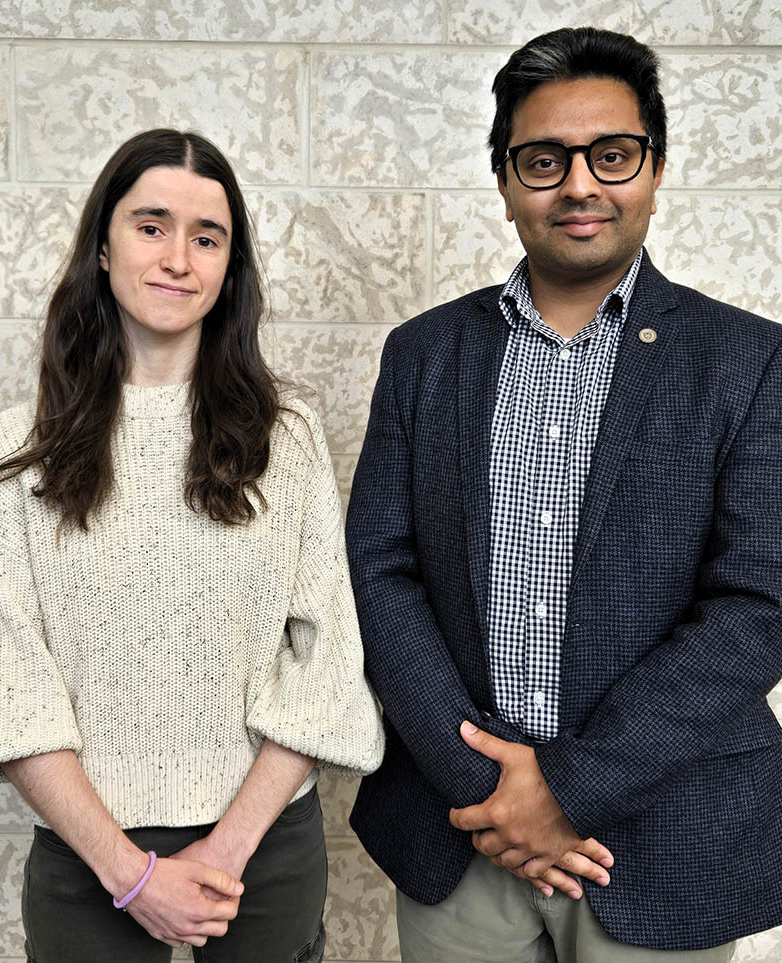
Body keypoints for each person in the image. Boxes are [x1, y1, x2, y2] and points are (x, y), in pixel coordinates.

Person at [346, 26, 782, 963]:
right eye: (544, 160)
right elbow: (379, 573)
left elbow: (757, 607)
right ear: (505, 182)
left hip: (661, 839)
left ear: (654, 170)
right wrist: (491, 789)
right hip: (459, 836)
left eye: (611, 155)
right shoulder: (423, 356)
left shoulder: (749, 360)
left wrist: (565, 790)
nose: (580, 185)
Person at [0, 128, 384, 963]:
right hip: (87, 850)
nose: (178, 258)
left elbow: (324, 658)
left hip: (262, 848)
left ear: (229, 267)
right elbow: (7, 685)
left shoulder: (289, 438)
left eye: (208, 237)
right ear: (103, 244)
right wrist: (130, 873)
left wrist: (226, 848)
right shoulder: (18, 450)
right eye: (151, 225)